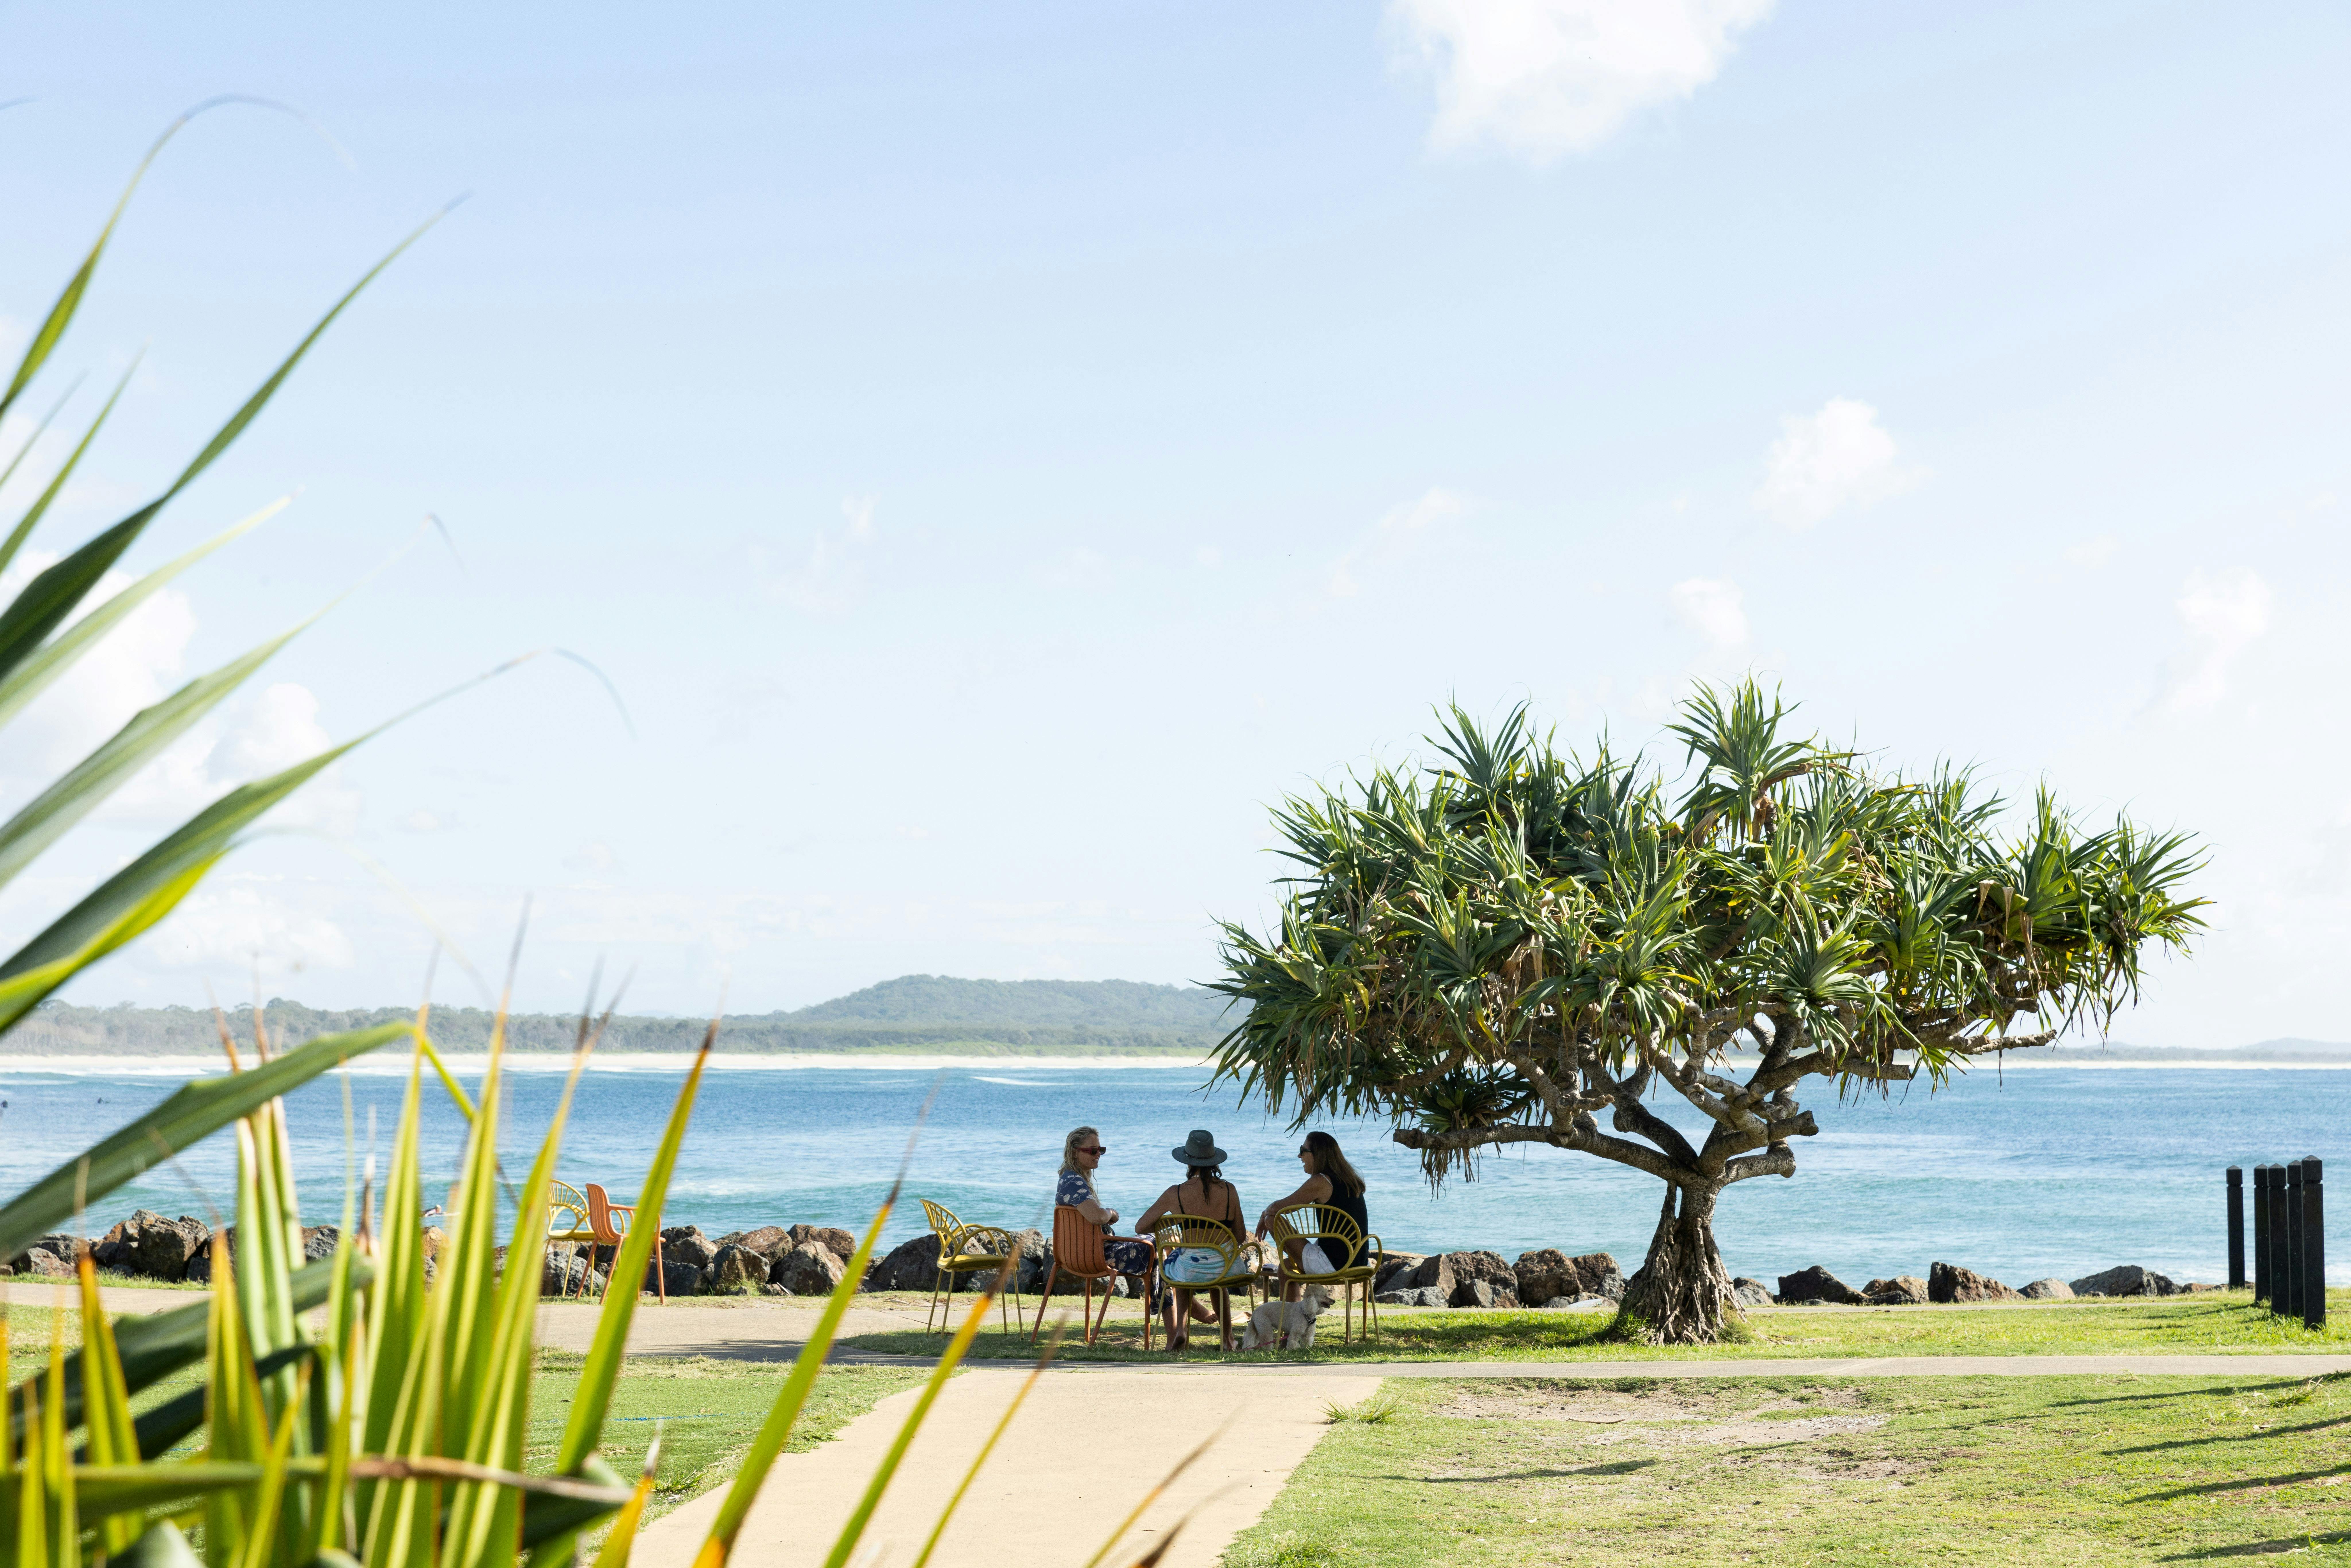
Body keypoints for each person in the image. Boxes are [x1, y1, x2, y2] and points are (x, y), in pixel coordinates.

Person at [1137, 1129, 1250, 1352]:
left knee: (1182, 1263)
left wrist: (1176, 1220)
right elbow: (1240, 1236)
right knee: (1217, 1282)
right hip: (1225, 1267)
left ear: (1188, 1162)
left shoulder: (1175, 1193)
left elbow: (1141, 1227)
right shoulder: (1229, 1190)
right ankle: (1228, 1340)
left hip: (1191, 1268)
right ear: (1214, 1160)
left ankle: (1181, 1331)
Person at [1255, 1130, 1370, 1305]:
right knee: (1286, 1268)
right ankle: (1292, 1321)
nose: (1299, 1155)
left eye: (1303, 1150)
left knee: (1271, 1220)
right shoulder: (1349, 1179)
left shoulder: (1321, 1181)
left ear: (1319, 1154)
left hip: (1334, 1264)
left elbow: (1279, 1209)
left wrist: (1265, 1214)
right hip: (1359, 1261)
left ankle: (1291, 1321)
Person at [1054, 1125, 1159, 1299]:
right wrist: (1111, 1212)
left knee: (1156, 1246)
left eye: (1101, 1150)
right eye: (1093, 1151)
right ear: (1074, 1152)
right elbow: (1098, 1217)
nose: (1098, 1155)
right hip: (1098, 1257)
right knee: (1156, 1242)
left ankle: (1179, 1306)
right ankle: (1176, 1310)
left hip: (1077, 1255)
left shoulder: (1067, 1180)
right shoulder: (1074, 1182)